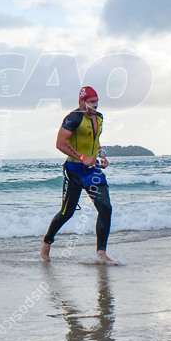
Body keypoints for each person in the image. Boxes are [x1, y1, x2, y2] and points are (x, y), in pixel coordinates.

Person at [40, 86, 118, 265]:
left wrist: (102, 155)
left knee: (105, 208)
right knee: (67, 213)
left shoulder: (99, 118)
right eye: (92, 102)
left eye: (97, 101)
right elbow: (60, 143)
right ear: (82, 102)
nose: (95, 105)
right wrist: (82, 158)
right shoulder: (73, 118)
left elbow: (95, 140)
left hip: (93, 171)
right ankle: (47, 241)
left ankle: (101, 253)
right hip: (74, 171)